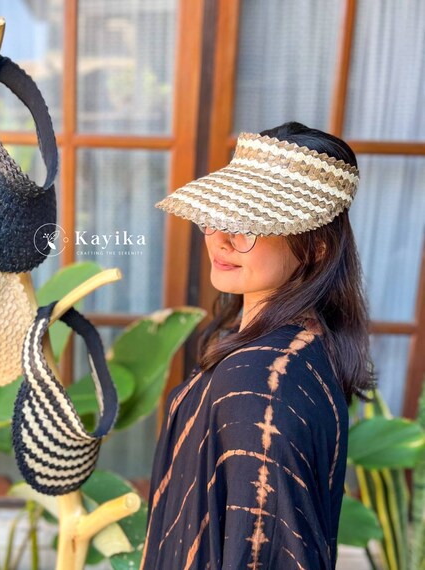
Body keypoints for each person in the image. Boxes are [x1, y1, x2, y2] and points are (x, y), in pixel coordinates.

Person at [140, 121, 377, 569]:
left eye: (249, 224)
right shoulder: (302, 347)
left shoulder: (262, 381)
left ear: (317, 247)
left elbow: (266, 554)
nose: (222, 238)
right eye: (217, 216)